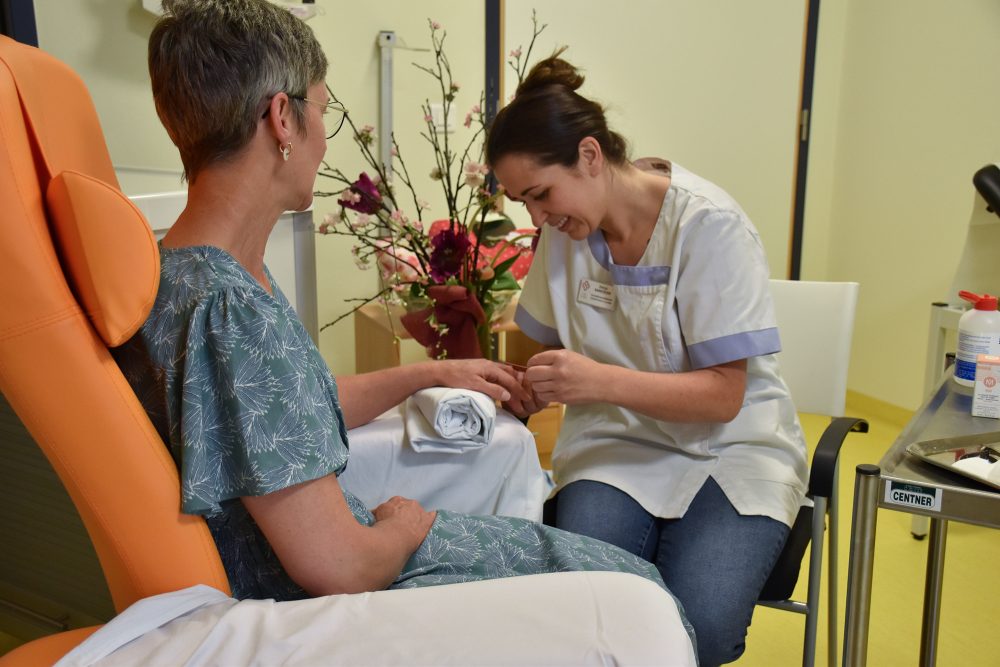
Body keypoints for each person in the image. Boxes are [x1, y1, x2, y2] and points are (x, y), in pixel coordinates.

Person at [113, 0, 693, 634]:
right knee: (638, 596)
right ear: (283, 118)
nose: (325, 137)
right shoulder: (230, 313)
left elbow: (288, 412)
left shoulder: (189, 271)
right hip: (334, 589)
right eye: (323, 110)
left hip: (341, 544)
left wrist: (428, 375)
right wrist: (405, 526)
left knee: (618, 572)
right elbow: (341, 566)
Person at [486, 54, 808, 667]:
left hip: (732, 448)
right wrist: (519, 387)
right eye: (523, 201)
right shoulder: (565, 231)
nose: (537, 217)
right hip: (617, 446)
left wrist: (595, 379)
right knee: (581, 612)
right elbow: (533, 349)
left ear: (588, 155)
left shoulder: (708, 226)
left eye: (541, 194)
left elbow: (722, 396)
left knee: (699, 631)